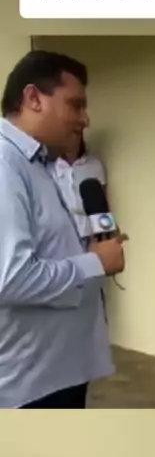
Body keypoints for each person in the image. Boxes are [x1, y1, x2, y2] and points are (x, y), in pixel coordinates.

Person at [0, 50, 127, 409]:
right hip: (30, 386)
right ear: (33, 98)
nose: (85, 119)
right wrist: (96, 262)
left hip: (58, 369)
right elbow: (11, 278)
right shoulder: (5, 164)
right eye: (75, 105)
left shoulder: (38, 162)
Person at [49, 131, 108, 241]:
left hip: (90, 233)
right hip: (63, 235)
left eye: (75, 134)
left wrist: (105, 234)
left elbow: (101, 204)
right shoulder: (50, 169)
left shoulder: (94, 165)